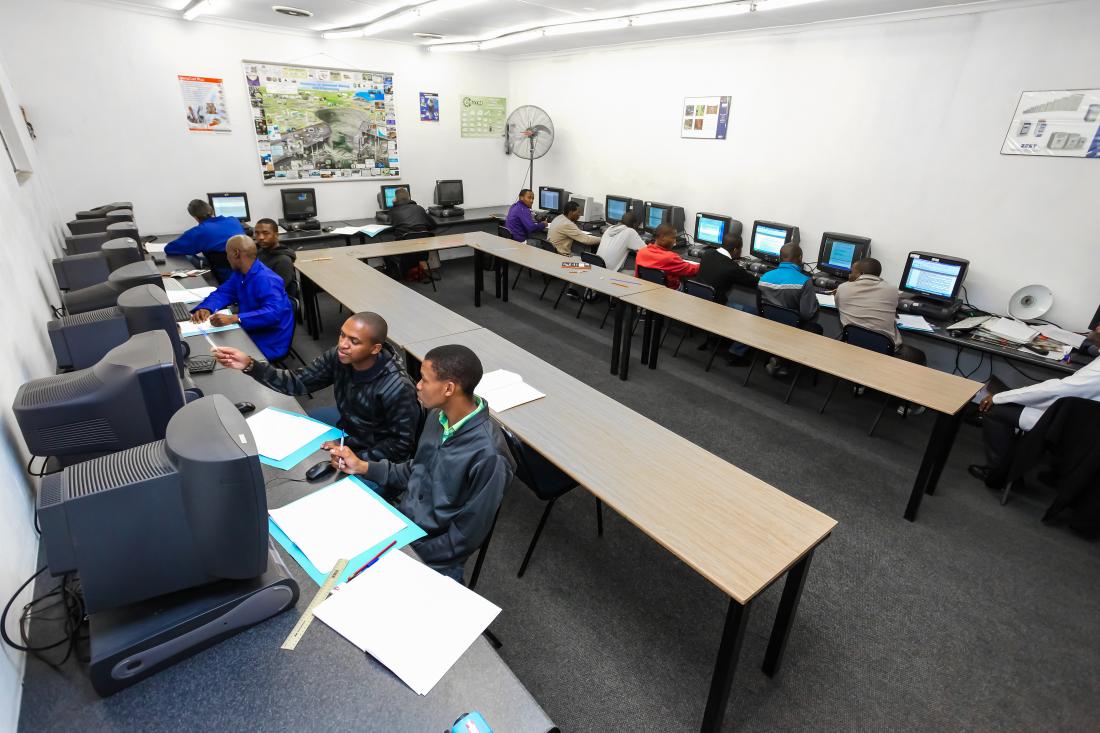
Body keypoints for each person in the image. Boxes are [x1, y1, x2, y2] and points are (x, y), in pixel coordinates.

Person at [327, 344, 515, 581]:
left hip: (434, 553)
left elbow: (464, 537)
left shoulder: (490, 456)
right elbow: (417, 470)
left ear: (448, 388)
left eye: (424, 380)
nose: (417, 385)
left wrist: (407, 553)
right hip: (405, 523)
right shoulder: (438, 415)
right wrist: (363, 466)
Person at [212, 312, 421, 463]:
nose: (343, 344)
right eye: (342, 335)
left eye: (354, 341)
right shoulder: (340, 357)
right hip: (350, 429)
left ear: (375, 348)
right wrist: (250, 365)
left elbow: (400, 448)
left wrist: (353, 455)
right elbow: (298, 382)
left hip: (374, 455)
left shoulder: (397, 387)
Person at [969, 359, 1100, 489]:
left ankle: (1000, 474)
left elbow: (1055, 391)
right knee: (1013, 397)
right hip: (1082, 419)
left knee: (994, 410)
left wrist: (999, 397)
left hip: (1069, 424)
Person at [190, 235, 295, 360]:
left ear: (236, 253)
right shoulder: (241, 273)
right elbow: (224, 292)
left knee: (215, 356)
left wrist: (236, 318)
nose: (227, 258)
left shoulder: (267, 280)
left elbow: (274, 313)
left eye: (227, 254)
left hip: (268, 339)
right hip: (251, 328)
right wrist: (207, 308)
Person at [835, 257, 925, 364]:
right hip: (885, 351)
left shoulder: (843, 288)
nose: (849, 275)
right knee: (918, 355)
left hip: (852, 344)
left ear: (861, 273)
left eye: (851, 272)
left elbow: (838, 305)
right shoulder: (892, 290)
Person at [757, 243, 821, 377]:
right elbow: (807, 313)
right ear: (799, 258)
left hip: (769, 325)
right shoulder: (804, 281)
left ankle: (778, 359)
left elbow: (760, 305)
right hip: (793, 328)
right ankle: (787, 363)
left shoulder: (764, 277)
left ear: (780, 257)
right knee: (815, 327)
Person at [695, 229, 756, 364]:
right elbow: (753, 282)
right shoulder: (732, 268)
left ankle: (712, 339)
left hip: (699, 303)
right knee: (753, 313)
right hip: (716, 308)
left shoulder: (707, 254)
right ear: (735, 250)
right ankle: (736, 353)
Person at [164, 199, 245, 283]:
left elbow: (169, 249)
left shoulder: (200, 231)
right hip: (247, 271)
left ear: (195, 217)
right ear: (212, 211)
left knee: (189, 256)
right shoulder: (233, 220)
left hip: (227, 278)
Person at [387, 189, 438, 284]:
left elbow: (391, 226)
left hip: (404, 252)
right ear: (409, 198)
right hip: (422, 252)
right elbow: (433, 225)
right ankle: (414, 272)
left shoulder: (393, 211)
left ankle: (395, 277)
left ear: (395, 199)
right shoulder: (419, 208)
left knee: (385, 247)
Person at [635, 224, 699, 290]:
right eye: (673, 238)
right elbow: (692, 269)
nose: (675, 241)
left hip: (645, 289)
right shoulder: (670, 258)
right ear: (662, 237)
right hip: (669, 292)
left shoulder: (641, 252)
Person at [253, 217, 298, 296]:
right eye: (257, 233)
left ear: (276, 235)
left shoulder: (283, 260)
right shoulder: (260, 252)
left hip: (276, 303)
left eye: (266, 233)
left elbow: (275, 291)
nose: (260, 237)